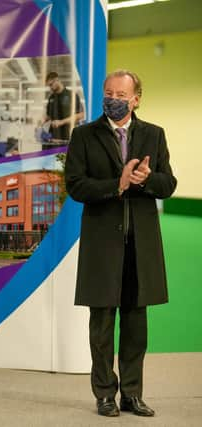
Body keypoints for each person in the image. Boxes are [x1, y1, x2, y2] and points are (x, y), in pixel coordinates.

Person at [65, 70, 177, 417]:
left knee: (135, 324)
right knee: (101, 325)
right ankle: (104, 393)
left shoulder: (153, 135)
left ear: (136, 98)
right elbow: (75, 185)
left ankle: (132, 393)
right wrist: (117, 184)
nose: (113, 99)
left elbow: (168, 183)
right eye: (108, 92)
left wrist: (145, 180)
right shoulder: (84, 135)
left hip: (140, 245)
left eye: (120, 94)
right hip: (102, 243)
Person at [44, 71, 85, 149]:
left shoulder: (72, 95)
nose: (50, 88)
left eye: (51, 84)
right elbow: (49, 116)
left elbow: (81, 115)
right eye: (49, 86)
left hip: (68, 137)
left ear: (57, 80)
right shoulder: (51, 98)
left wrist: (61, 122)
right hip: (54, 139)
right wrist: (42, 121)